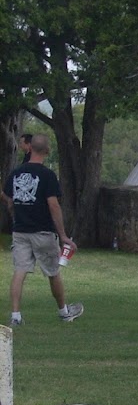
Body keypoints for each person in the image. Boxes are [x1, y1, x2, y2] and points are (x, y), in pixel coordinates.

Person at [2, 134, 83, 326]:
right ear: (47, 151)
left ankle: (15, 316)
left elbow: (7, 196)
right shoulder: (47, 175)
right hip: (42, 232)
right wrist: (63, 235)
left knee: (19, 271)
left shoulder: (16, 173)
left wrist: (13, 208)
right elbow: (53, 205)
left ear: (30, 149)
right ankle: (64, 312)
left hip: (20, 231)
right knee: (53, 272)